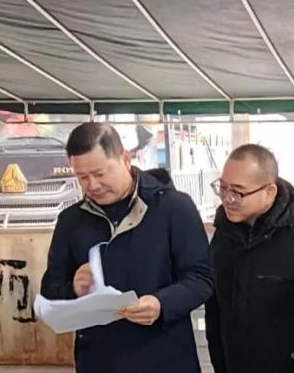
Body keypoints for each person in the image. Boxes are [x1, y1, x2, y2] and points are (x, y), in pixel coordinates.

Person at [40, 122, 213, 373]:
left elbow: (201, 278)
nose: (92, 185)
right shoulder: (71, 221)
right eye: (82, 177)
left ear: (125, 159)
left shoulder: (174, 208)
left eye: (100, 174)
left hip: (166, 358)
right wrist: (73, 288)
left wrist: (161, 304)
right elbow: (50, 292)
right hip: (99, 361)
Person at [205, 144, 294, 373]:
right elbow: (216, 315)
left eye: (238, 192)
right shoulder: (224, 240)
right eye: (223, 188)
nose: (228, 199)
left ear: (269, 192)